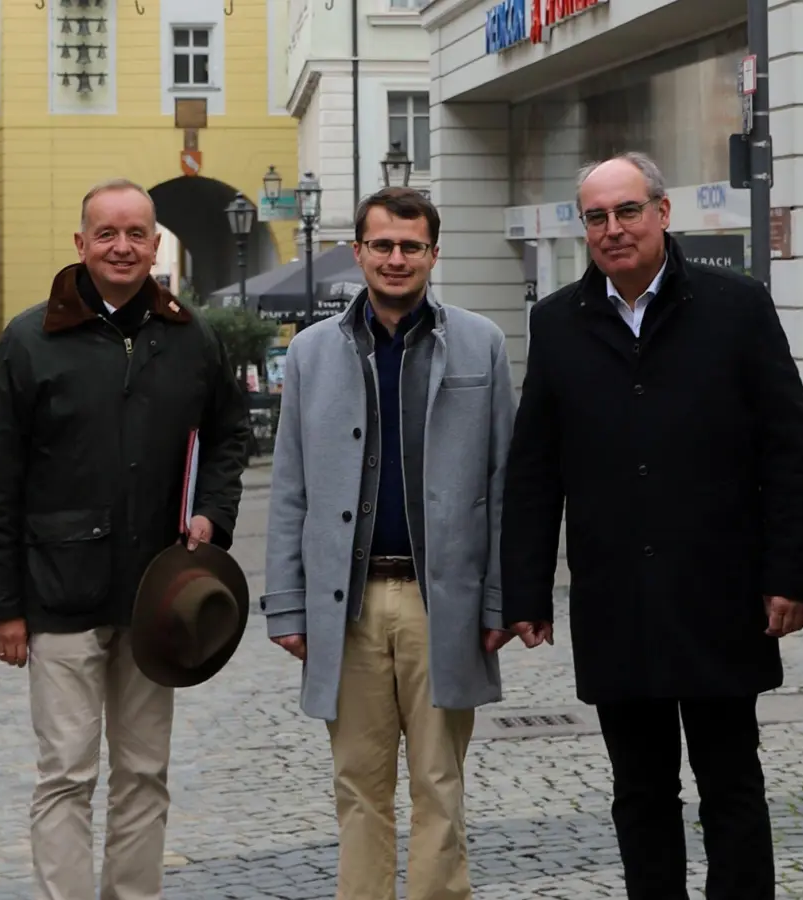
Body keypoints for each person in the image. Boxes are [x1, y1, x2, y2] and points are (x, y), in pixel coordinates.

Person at [501, 153, 803, 899]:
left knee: (731, 784)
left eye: (628, 212)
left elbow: (789, 447)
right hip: (616, 600)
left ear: (662, 212)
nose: (613, 230)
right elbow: (533, 468)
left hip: (721, 595)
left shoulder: (736, 305)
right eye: (596, 217)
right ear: (583, 227)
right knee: (639, 792)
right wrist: (526, 591)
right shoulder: (556, 324)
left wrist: (790, 574)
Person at [0, 177, 251, 900]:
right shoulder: (31, 340)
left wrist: (212, 515)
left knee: (144, 771)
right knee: (66, 772)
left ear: (157, 245)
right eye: (107, 233)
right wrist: (3, 605)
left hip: (159, 592)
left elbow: (227, 437)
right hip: (58, 592)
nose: (122, 247)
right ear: (81, 243)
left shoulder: (192, 338)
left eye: (136, 234)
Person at [261, 186, 516, 900]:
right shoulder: (313, 351)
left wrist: (499, 599)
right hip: (349, 603)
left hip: (444, 600)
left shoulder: (480, 343)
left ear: (434, 253)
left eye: (411, 246)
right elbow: (291, 487)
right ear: (358, 251)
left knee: (440, 782)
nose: (396, 259)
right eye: (383, 245)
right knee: (357, 784)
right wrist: (287, 605)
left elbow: (503, 484)